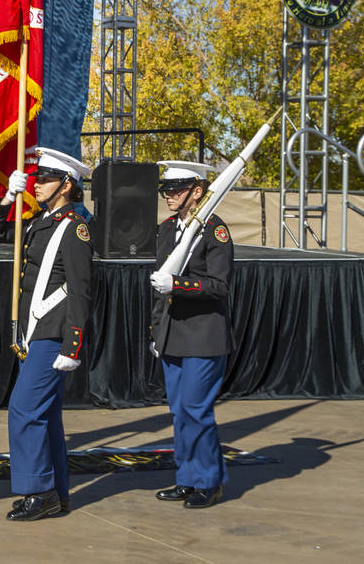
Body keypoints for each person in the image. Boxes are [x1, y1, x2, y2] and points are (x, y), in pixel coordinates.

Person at [0, 147, 92, 522]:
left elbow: (81, 290)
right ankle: (55, 493)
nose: (35, 183)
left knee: (24, 410)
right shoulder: (38, 222)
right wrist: (8, 197)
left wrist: (73, 343)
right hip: (37, 330)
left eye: (43, 179)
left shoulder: (74, 228)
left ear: (66, 185)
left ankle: (38, 491)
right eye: (35, 177)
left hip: (54, 333)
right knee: (45, 416)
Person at [149, 160, 234, 509]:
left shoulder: (214, 230)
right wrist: (156, 331)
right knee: (179, 411)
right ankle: (186, 477)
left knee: (197, 411)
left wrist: (179, 285)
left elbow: (219, 285)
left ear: (197, 192)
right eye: (166, 189)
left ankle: (208, 481)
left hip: (203, 335)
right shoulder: (167, 229)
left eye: (177, 189)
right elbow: (158, 288)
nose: (169, 195)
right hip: (173, 334)